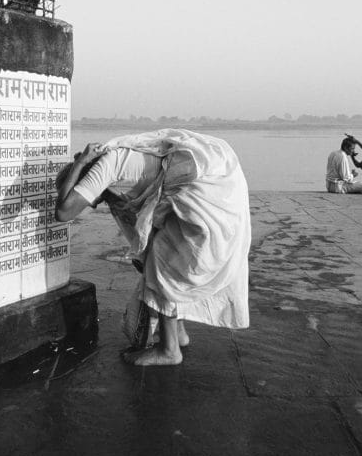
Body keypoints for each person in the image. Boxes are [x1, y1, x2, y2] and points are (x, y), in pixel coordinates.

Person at [55, 129, 251, 367]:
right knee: (167, 254)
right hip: (211, 185)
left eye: (88, 197)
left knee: (162, 261)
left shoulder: (104, 167)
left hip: (207, 190)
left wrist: (80, 163)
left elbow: (63, 211)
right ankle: (177, 333)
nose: (93, 204)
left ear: (84, 179)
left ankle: (169, 350)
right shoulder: (115, 163)